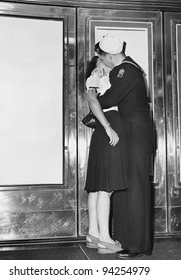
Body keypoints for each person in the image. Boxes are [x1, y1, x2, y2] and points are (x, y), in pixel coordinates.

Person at [88, 34, 154, 259]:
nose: (101, 62)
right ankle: (125, 240)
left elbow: (107, 100)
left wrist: (92, 88)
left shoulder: (125, 70)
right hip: (130, 132)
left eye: (102, 57)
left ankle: (136, 245)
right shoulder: (126, 70)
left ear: (110, 55)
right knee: (124, 186)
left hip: (136, 133)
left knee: (134, 186)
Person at [84, 54, 129, 254]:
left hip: (102, 131)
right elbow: (93, 103)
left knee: (97, 186)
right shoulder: (96, 77)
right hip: (107, 125)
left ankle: (93, 234)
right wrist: (109, 127)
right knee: (106, 187)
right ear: (96, 65)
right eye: (101, 60)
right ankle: (105, 239)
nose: (106, 62)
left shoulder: (103, 78)